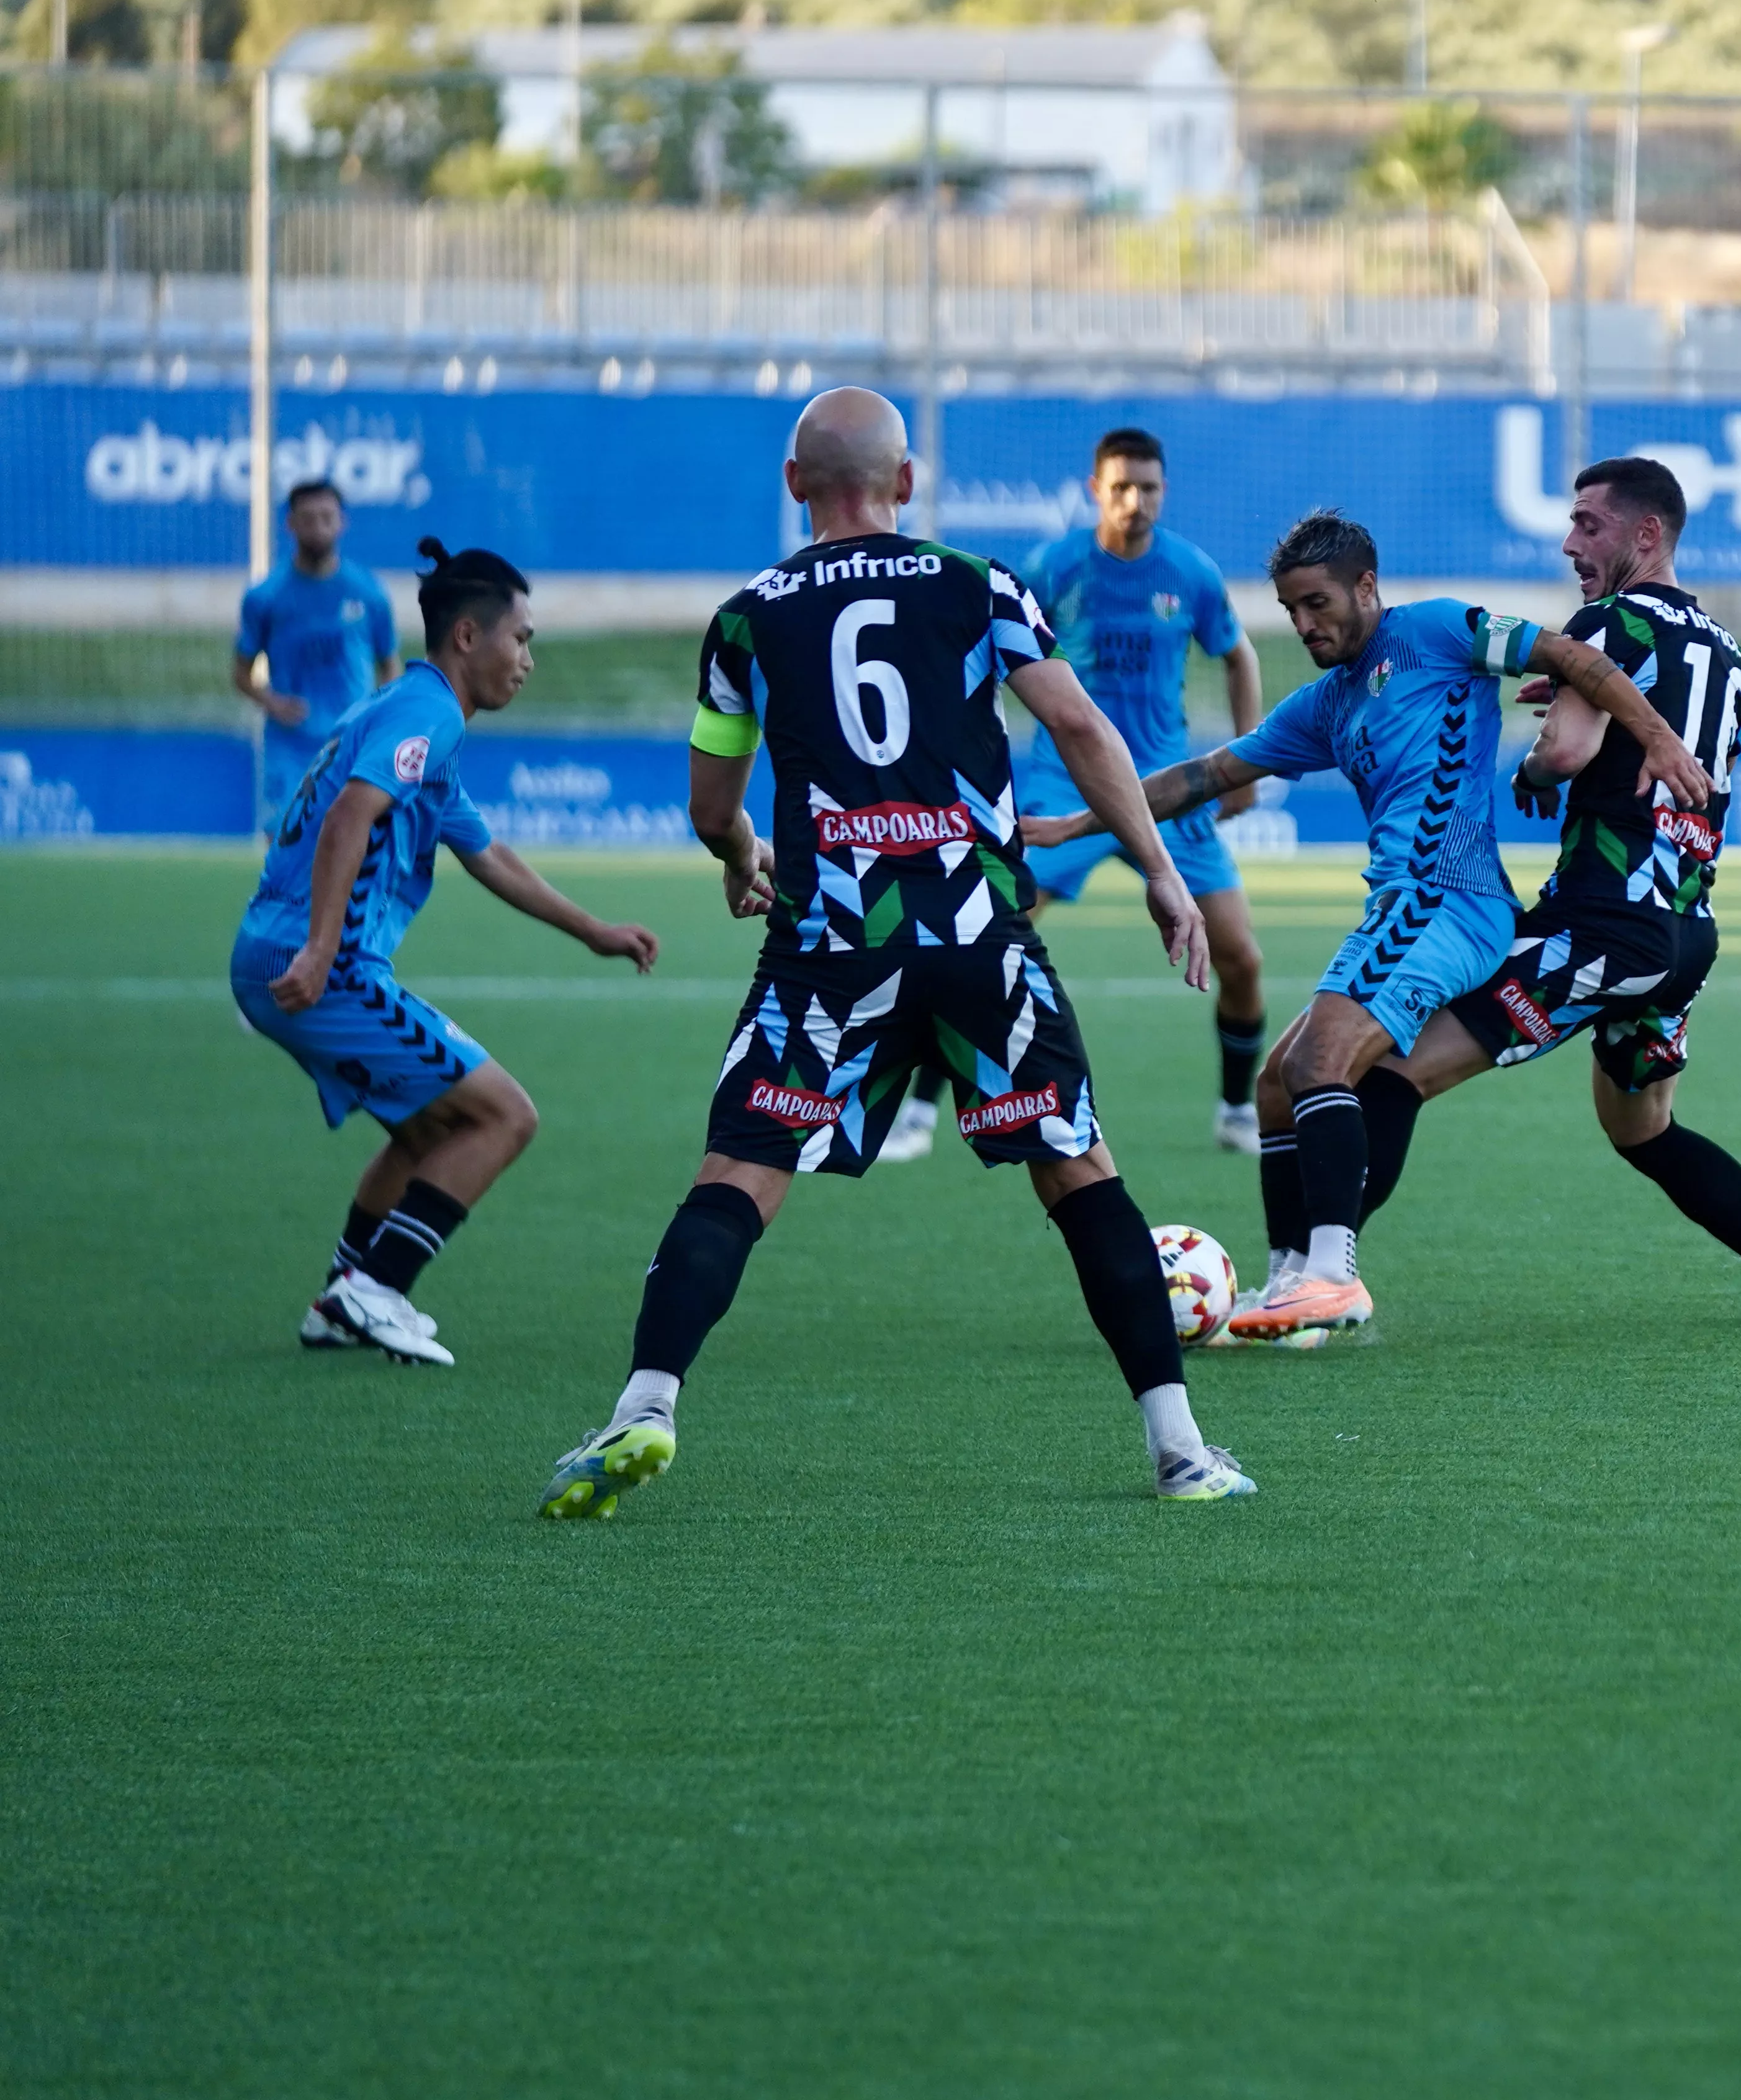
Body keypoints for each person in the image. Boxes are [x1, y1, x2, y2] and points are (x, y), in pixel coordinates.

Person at [539, 388, 1254, 1518]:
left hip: (831, 949)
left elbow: (710, 799)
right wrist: (1163, 872)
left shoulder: (748, 616)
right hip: (979, 933)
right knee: (1080, 1174)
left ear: (794, 488)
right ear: (906, 485)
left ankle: (644, 1407)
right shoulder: (980, 585)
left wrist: (737, 853)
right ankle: (1181, 1451)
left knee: (738, 1180)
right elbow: (1079, 727)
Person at [1021, 504, 1713, 1348]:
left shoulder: (1438, 632)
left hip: (1450, 899)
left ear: (1365, 585)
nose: (1304, 625)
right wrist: (1071, 824)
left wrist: (1657, 739)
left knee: (1321, 1062)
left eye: (1318, 604)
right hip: (1402, 905)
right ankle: (1289, 1284)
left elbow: (1567, 656)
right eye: (1290, 612)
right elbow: (1205, 774)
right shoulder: (1328, 703)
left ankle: (1333, 1274)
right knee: (1280, 1081)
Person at [1343, 456, 1741, 1326]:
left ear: (1646, 533)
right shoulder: (1726, 648)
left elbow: (1567, 754)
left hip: (1603, 924)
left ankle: (1319, 1276)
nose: (1569, 542)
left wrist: (1535, 762)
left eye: (1589, 524)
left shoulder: (1609, 619)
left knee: (1395, 1072)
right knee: (1643, 1131)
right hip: (1683, 932)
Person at [232, 539, 660, 1366]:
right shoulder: (422, 712)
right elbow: (349, 818)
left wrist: (595, 931)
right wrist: (323, 951)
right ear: (468, 637)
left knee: (434, 1127)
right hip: (327, 966)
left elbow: (489, 856)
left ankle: (339, 1300)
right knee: (507, 1114)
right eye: (522, 638)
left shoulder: (418, 721)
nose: (528, 658)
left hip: (283, 954)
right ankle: (377, 1288)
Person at [875, 425, 1269, 1160]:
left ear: (1164, 491)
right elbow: (981, 663)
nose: (1137, 500)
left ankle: (1237, 1108)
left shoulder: (1191, 572)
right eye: (1122, 486)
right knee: (981, 938)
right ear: (1096, 490)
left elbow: (1240, 657)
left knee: (1241, 955)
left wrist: (1245, 767)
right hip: (1062, 785)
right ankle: (920, 1113)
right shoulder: (1051, 569)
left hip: (1164, 789)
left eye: (1149, 487)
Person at [233, 478, 399, 823]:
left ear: (343, 522)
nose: (318, 527)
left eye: (327, 517)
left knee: (353, 846)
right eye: (308, 518)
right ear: (290, 524)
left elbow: (390, 665)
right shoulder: (265, 597)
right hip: (290, 745)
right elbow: (241, 674)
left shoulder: (369, 592)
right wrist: (274, 703)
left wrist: (378, 715)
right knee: (283, 848)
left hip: (352, 743)